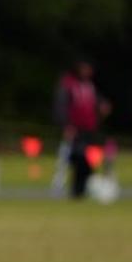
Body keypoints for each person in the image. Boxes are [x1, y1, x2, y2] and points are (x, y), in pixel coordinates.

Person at [52, 60, 101, 199]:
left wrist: (102, 105)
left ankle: (81, 190)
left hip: (89, 129)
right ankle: (76, 190)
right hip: (74, 129)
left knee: (85, 159)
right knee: (78, 158)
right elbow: (61, 105)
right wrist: (66, 124)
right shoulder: (68, 84)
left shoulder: (89, 85)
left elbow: (94, 101)